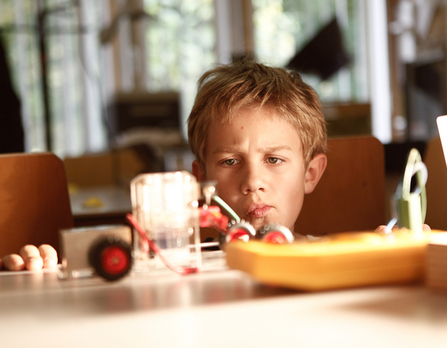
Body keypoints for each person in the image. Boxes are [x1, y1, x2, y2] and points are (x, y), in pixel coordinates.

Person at [1, 59, 328, 270]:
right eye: (230, 161)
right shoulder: (163, 267)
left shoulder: (336, 258)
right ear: (200, 181)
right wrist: (37, 270)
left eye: (273, 159)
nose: (253, 181)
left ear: (310, 174)